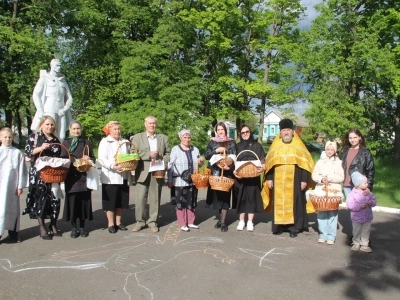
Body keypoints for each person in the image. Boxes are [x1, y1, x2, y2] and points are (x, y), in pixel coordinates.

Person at [261, 119, 315, 238]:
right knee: (279, 202)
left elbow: (305, 164)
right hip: (278, 180)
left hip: (295, 179)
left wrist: (304, 180)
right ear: (280, 132)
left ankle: (293, 227)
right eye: (284, 130)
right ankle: (279, 227)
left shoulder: (298, 145)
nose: (286, 133)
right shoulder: (275, 145)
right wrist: (269, 178)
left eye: (288, 130)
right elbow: (270, 164)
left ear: (292, 132)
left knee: (295, 203)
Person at [24, 116, 64, 240]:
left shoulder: (56, 139)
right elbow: (27, 152)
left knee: (55, 199)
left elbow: (60, 154)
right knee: (40, 199)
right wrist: (41, 148)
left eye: (52, 125)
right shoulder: (34, 136)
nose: (49, 127)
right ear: (41, 125)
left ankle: (53, 224)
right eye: (47, 124)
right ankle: (42, 227)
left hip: (53, 173)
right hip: (39, 173)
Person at [131, 116, 170, 233]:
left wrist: (165, 161)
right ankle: (140, 222)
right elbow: (133, 153)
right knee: (140, 198)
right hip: (142, 171)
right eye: (150, 123)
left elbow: (168, 153)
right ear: (145, 124)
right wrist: (148, 154)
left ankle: (152, 222)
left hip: (157, 171)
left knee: (155, 198)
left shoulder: (163, 138)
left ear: (156, 125)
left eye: (153, 123)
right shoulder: (137, 137)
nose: (152, 125)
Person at [62, 121, 95, 238]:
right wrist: (74, 162)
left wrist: (88, 159)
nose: (76, 131)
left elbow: (93, 157)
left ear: (81, 129)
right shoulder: (66, 143)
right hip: (71, 177)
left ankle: (82, 227)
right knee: (73, 202)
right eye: (74, 129)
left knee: (83, 202)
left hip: (84, 176)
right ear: (70, 130)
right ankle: (73, 228)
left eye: (78, 128)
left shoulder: (86, 142)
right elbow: (63, 158)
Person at [97, 121, 131, 234]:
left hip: (123, 175)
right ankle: (110, 223)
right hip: (110, 177)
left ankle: (118, 222)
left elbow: (129, 156)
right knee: (111, 202)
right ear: (109, 130)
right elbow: (101, 159)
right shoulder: (104, 142)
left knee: (121, 201)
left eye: (118, 129)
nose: (117, 131)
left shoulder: (124, 142)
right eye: (115, 129)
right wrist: (112, 166)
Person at [340, 128, 374, 240]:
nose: (352, 140)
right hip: (347, 185)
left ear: (359, 137)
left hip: (360, 186)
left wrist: (368, 186)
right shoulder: (344, 151)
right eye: (350, 138)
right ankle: (354, 236)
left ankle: (364, 238)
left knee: (363, 211)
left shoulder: (365, 152)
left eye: (355, 137)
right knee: (352, 210)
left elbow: (370, 170)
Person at [167, 130, 204, 232]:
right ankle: (182, 223)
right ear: (180, 138)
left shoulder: (195, 149)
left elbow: (199, 164)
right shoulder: (175, 149)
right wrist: (169, 179)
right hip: (179, 181)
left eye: (188, 137)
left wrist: (201, 161)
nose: (187, 139)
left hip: (193, 180)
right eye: (185, 137)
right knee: (181, 202)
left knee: (191, 201)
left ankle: (191, 222)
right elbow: (170, 165)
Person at [232, 125, 265, 232]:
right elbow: (233, 162)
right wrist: (234, 171)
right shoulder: (236, 146)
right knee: (241, 198)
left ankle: (250, 221)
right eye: (243, 132)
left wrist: (263, 167)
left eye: (247, 132)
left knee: (252, 198)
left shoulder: (257, 146)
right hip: (240, 177)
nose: (245, 134)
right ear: (240, 134)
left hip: (253, 177)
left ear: (250, 132)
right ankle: (241, 221)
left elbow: (263, 159)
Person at [31, 59, 73, 142]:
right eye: (57, 65)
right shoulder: (45, 78)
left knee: (61, 135)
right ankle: (48, 152)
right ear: (51, 66)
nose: (59, 67)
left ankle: (59, 152)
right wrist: (40, 110)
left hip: (61, 111)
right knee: (48, 132)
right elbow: (36, 94)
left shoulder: (63, 80)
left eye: (60, 65)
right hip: (49, 109)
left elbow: (70, 97)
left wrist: (65, 109)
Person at [205, 122, 237, 232]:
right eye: (218, 129)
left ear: (226, 130)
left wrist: (230, 166)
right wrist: (216, 151)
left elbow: (235, 157)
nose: (220, 131)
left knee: (225, 197)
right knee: (217, 198)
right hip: (215, 174)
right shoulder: (212, 142)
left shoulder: (231, 143)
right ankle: (220, 219)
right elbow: (206, 155)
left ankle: (223, 222)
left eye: (222, 129)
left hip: (227, 174)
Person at [311, 141, 344, 244]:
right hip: (321, 190)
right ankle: (322, 234)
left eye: (332, 149)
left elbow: (341, 177)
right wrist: (321, 179)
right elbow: (314, 175)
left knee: (332, 213)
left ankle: (331, 235)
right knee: (321, 212)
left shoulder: (339, 162)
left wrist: (330, 178)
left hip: (333, 190)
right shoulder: (320, 162)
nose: (329, 151)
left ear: (335, 151)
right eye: (328, 149)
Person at [0, 128, 28, 243]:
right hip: (1, 186)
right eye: (5, 137)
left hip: (12, 186)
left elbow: (21, 170)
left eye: (10, 137)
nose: (8, 139)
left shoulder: (17, 153)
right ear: (0, 137)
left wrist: (20, 186)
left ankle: (13, 233)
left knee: (13, 210)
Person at [346, 172, 377, 252]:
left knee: (366, 232)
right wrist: (360, 206)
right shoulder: (352, 194)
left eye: (367, 182)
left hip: (367, 217)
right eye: (365, 183)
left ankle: (364, 245)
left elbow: (374, 201)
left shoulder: (368, 193)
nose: (367, 184)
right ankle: (356, 243)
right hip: (357, 217)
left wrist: (371, 202)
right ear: (358, 184)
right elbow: (350, 205)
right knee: (356, 231)